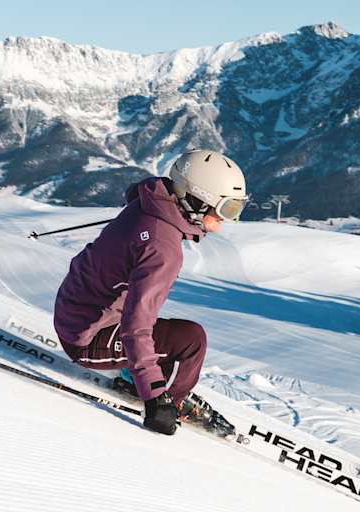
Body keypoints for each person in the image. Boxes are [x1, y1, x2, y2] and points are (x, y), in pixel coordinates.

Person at [53, 149, 249, 435]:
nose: (228, 220)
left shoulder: (149, 203)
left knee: (171, 332)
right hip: (85, 338)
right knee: (190, 342)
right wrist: (155, 397)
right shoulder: (162, 247)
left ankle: (142, 377)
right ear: (196, 200)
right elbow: (136, 327)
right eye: (226, 209)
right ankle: (170, 399)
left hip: (78, 310)